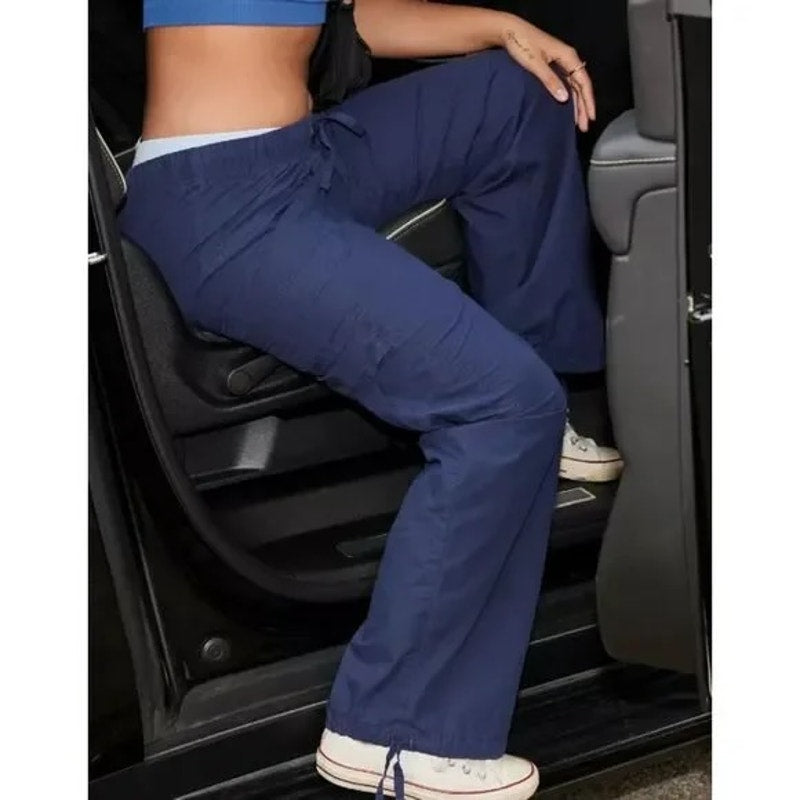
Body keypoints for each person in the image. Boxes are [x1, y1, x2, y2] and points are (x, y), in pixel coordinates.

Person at [118, 1, 622, 797]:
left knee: (517, 95)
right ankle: (392, 731)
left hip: (305, 154)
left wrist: (501, 25)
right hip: (221, 199)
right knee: (502, 403)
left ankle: (544, 417)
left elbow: (349, 18)